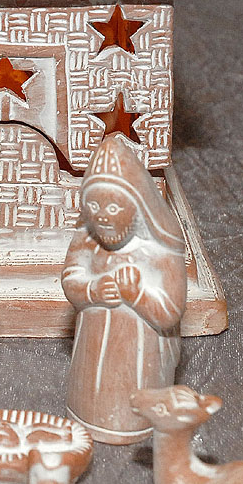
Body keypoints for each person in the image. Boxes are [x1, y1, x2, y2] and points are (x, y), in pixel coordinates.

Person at [62, 135, 186, 444]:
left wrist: (137, 295)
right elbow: (71, 278)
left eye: (115, 205)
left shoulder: (160, 253)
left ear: (139, 206)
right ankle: (88, 413)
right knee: (92, 384)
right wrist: (92, 290)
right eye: (94, 205)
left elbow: (170, 312)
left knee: (134, 389)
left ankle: (134, 421)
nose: (103, 215)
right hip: (93, 346)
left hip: (142, 356)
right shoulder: (87, 240)